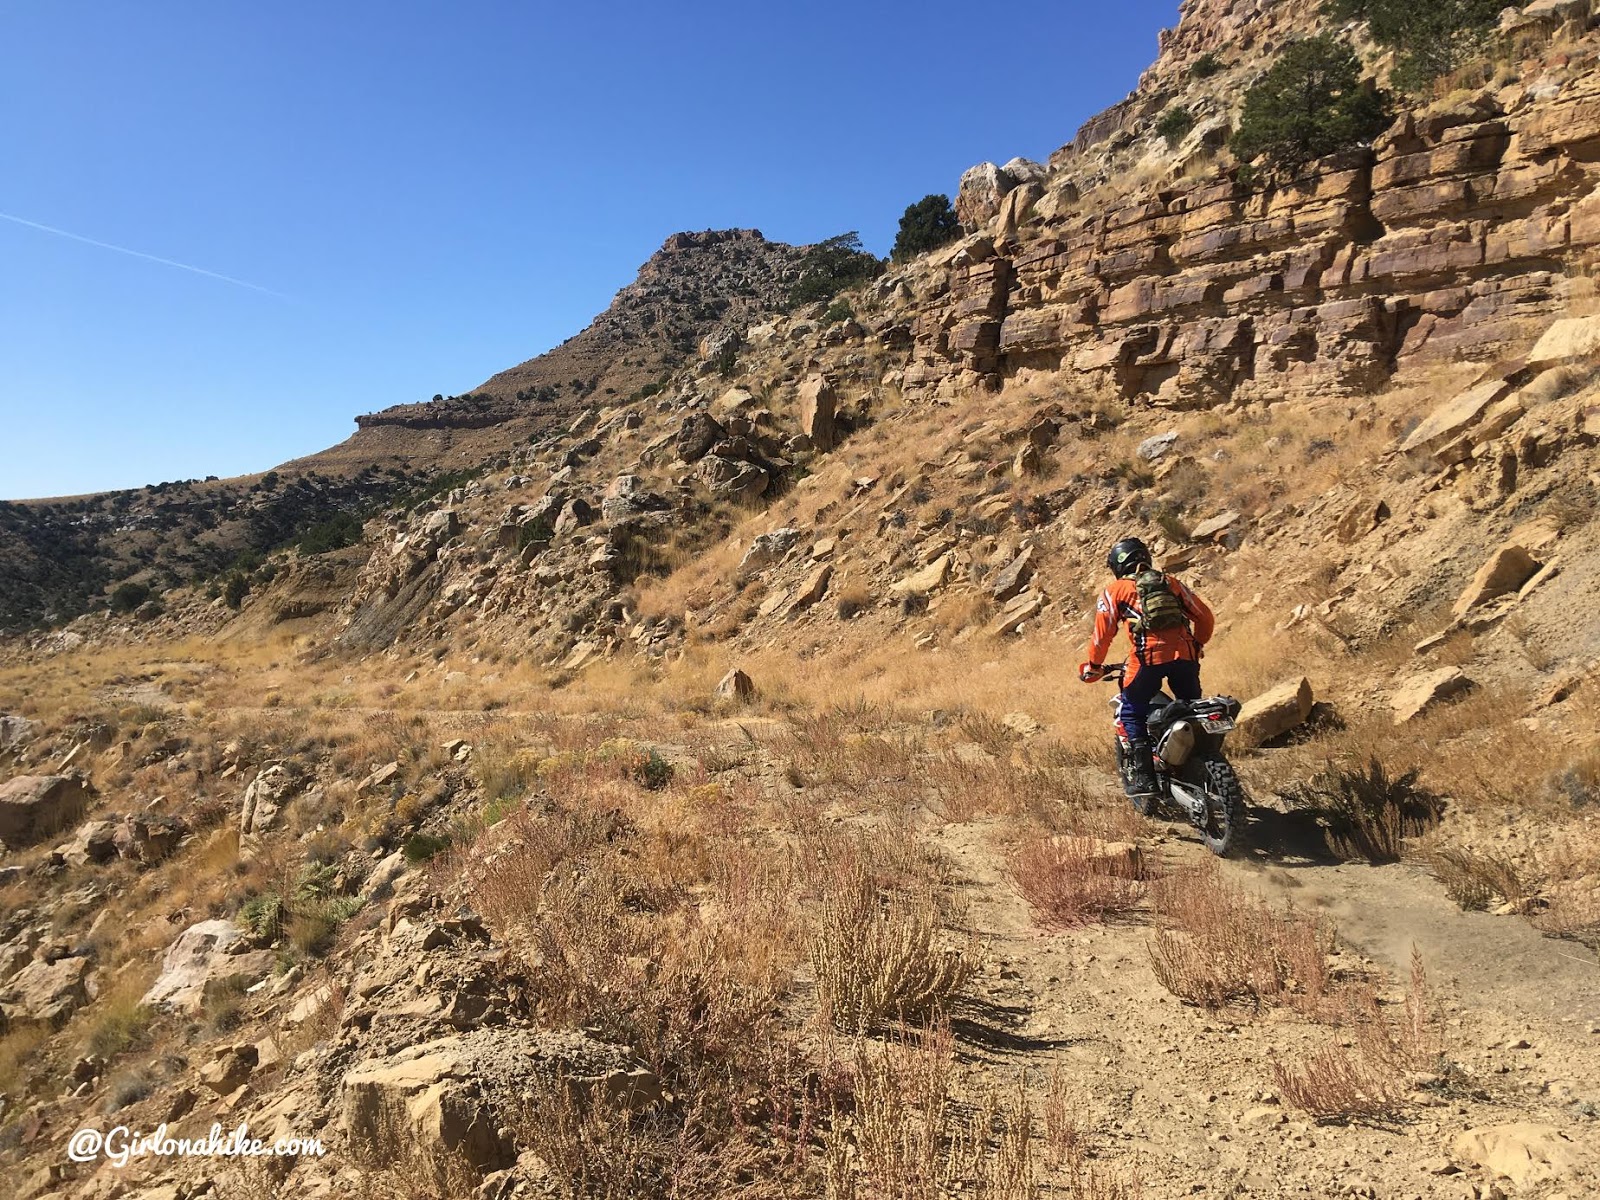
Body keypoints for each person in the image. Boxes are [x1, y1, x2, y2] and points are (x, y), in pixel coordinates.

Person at [1078, 537, 1215, 800]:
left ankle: (1144, 778)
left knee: (1131, 712)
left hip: (1147, 659)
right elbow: (1205, 616)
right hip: (1186, 656)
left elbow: (1102, 635)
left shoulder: (1115, 590)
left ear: (1117, 566)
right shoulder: (1170, 583)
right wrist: (1197, 644)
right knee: (1191, 709)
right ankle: (1200, 767)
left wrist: (1094, 666)